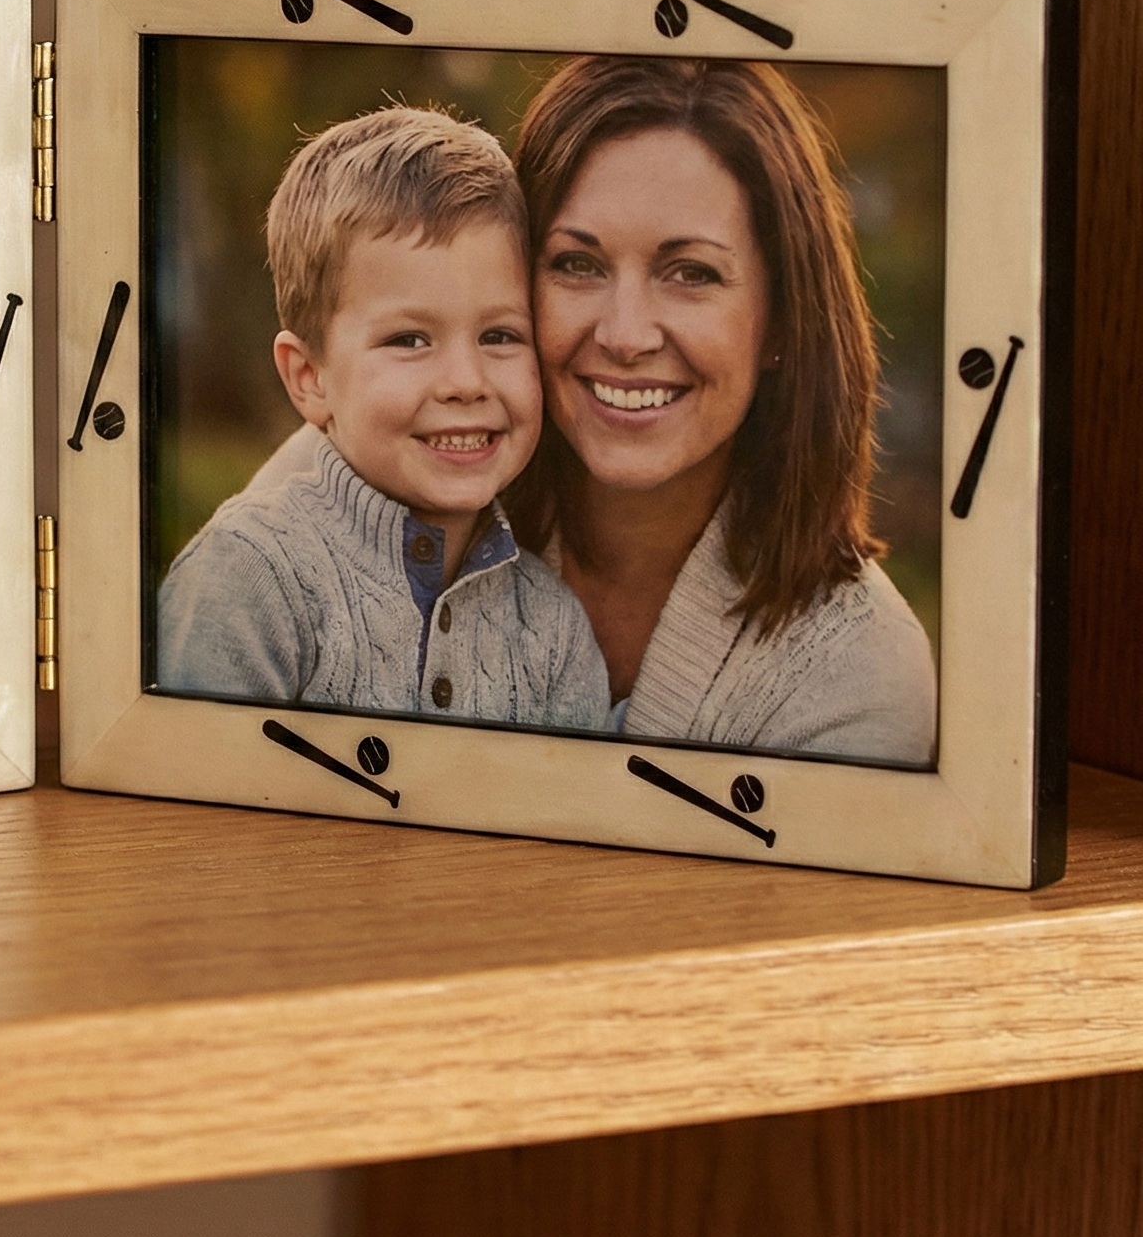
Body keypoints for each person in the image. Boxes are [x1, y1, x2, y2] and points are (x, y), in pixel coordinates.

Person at [506, 54, 936, 762]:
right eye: (576, 264)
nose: (625, 335)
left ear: (781, 322)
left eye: (691, 273)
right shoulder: (371, 489)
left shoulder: (857, 674)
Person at [156, 106, 609, 727]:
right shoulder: (248, 582)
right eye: (409, 341)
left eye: (500, 335)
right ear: (309, 378)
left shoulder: (553, 632)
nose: (466, 382)